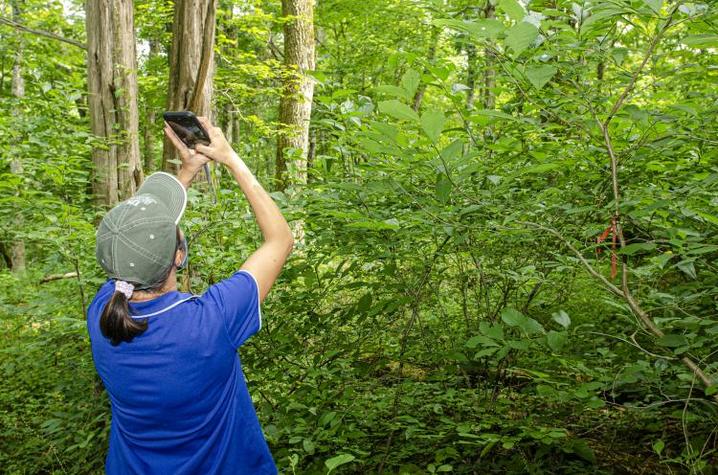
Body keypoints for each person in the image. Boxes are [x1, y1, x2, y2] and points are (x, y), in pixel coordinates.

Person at [86, 116, 293, 475]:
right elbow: (280, 240)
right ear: (179, 256)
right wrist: (231, 159)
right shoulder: (211, 322)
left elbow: (137, 240)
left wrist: (187, 171)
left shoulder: (102, 312)